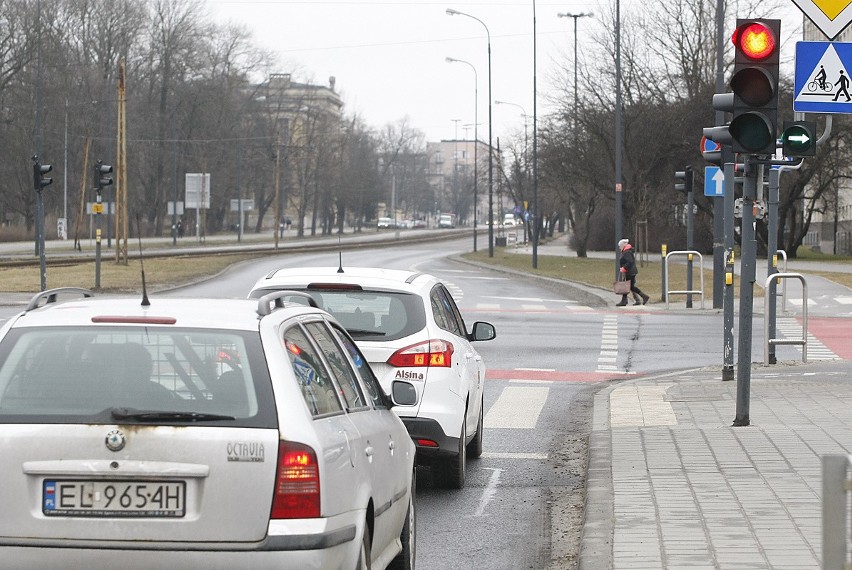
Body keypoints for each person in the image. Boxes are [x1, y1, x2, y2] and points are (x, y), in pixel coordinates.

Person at [616, 238, 650, 307]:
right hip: (630, 271)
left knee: (630, 286)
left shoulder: (626, 252)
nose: (619, 248)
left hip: (629, 272)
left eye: (619, 246)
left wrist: (624, 268)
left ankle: (644, 296)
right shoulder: (627, 251)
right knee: (627, 286)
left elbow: (630, 261)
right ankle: (625, 301)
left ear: (623, 245)